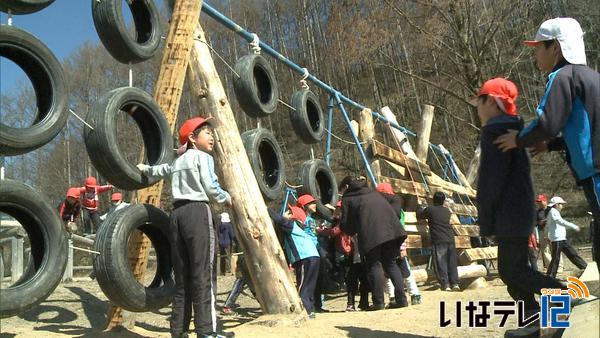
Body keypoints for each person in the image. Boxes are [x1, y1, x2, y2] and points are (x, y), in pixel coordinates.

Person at [494, 17, 599, 272]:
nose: (535, 55)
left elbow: (547, 124)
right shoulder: (592, 77)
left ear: (556, 47)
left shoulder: (563, 76)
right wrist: (550, 146)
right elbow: (586, 131)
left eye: (538, 47)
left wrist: (517, 139)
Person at [473, 77, 566, 334]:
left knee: (510, 270)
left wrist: (486, 215)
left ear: (490, 101)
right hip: (518, 210)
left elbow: (492, 180)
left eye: (479, 101)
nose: (477, 108)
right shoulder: (514, 130)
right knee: (516, 270)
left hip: (509, 212)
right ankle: (532, 320)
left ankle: (561, 294)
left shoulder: (495, 131)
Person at [137, 116, 233, 338]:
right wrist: (227, 197)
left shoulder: (176, 163)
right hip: (198, 213)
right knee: (204, 274)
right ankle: (207, 331)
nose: (212, 137)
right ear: (192, 137)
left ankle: (178, 331)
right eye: (207, 132)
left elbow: (159, 171)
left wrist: (143, 168)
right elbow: (211, 187)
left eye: (212, 133)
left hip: (176, 216)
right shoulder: (203, 157)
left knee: (182, 278)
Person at [339, 176, 408, 310]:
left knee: (374, 265)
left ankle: (378, 302)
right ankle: (402, 299)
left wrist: (345, 227)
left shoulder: (348, 198)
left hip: (372, 235)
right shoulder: (372, 193)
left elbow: (348, 224)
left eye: (342, 189)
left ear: (346, 187)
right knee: (391, 264)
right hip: (393, 231)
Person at [268, 206, 320, 318]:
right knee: (309, 285)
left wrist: (266, 208)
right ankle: (311, 310)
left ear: (294, 216)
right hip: (314, 256)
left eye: (289, 212)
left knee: (302, 286)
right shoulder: (300, 227)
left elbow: (278, 219)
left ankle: (305, 310)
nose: (286, 213)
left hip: (305, 257)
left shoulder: (292, 224)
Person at [417, 191, 459, 291]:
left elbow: (420, 215)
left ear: (433, 200)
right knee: (452, 262)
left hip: (439, 239)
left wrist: (419, 205)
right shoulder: (447, 211)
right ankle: (455, 283)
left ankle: (446, 284)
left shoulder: (430, 209)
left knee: (441, 262)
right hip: (450, 238)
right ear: (443, 201)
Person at [545, 196, 587, 277]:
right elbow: (560, 222)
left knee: (572, 254)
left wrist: (547, 235)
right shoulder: (553, 211)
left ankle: (585, 268)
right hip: (557, 239)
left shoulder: (554, 212)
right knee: (556, 258)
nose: (562, 206)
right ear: (556, 204)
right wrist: (573, 226)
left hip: (561, 239)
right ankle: (549, 276)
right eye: (561, 204)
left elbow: (547, 226)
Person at [535, 194, 552, 268]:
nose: (539, 203)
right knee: (545, 249)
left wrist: (546, 221)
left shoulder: (551, 209)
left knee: (554, 248)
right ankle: (550, 266)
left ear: (545, 201)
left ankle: (558, 265)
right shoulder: (538, 212)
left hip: (551, 231)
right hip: (542, 231)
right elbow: (535, 222)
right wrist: (539, 223)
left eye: (540, 201)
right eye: (538, 202)